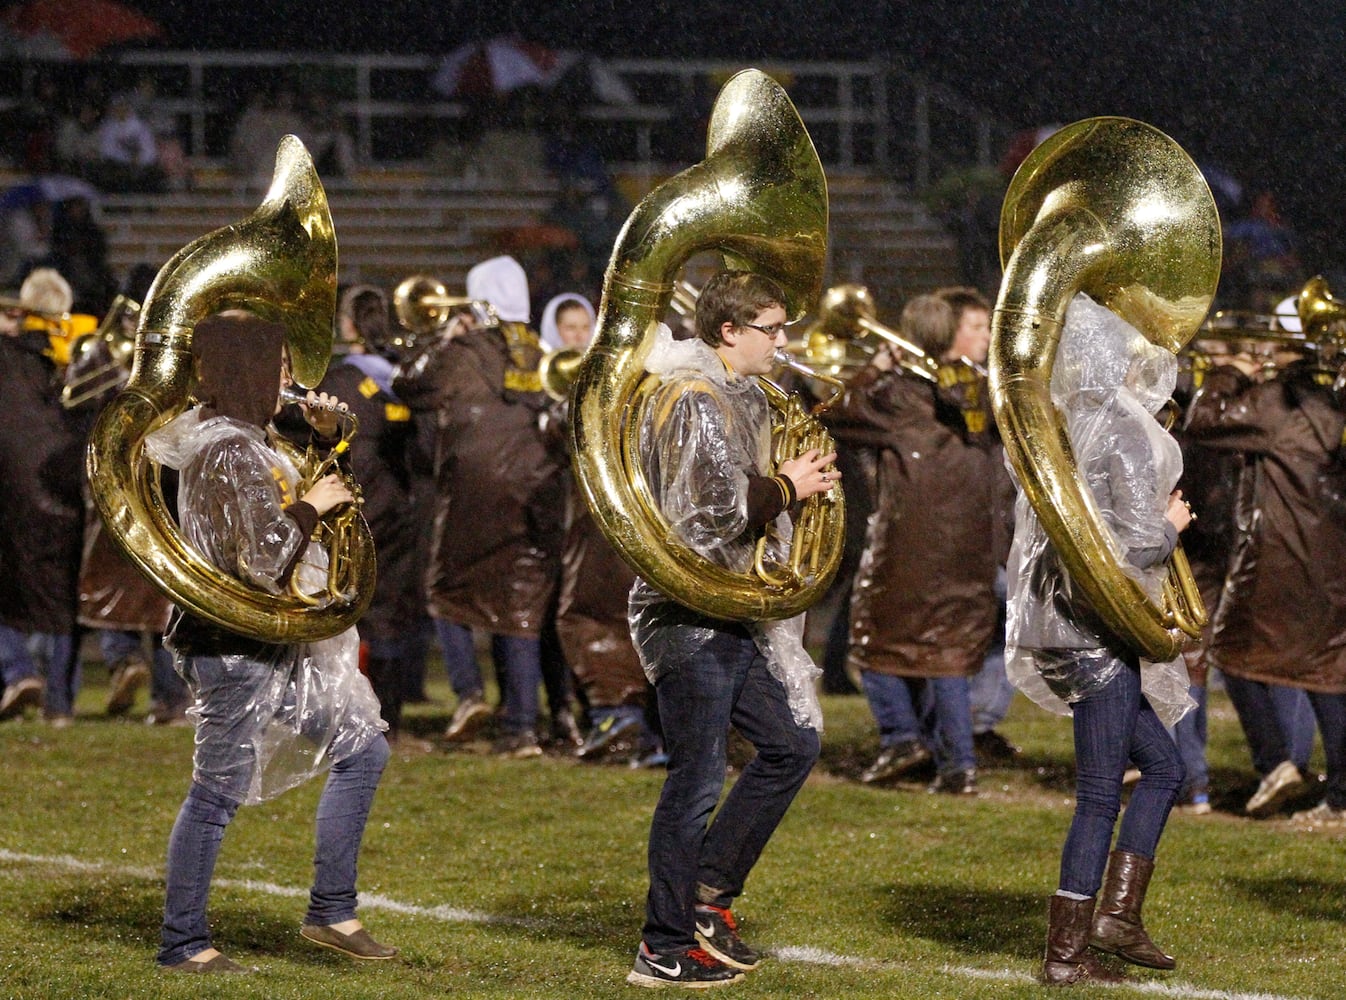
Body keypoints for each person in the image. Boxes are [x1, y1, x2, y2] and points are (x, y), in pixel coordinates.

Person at [144, 313, 394, 973]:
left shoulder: (248, 439)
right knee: (217, 791)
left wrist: (324, 443)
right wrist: (314, 501)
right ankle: (183, 943)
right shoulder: (226, 448)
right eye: (279, 366)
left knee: (363, 748)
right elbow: (268, 554)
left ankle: (332, 911)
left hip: (270, 639)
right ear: (245, 371)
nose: (289, 378)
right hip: (234, 645)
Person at [624, 269, 836, 988]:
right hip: (686, 614)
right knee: (696, 781)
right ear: (727, 332)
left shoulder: (738, 395)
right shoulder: (693, 398)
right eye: (771, 329)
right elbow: (705, 515)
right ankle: (662, 945)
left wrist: (786, 478)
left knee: (792, 743)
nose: (783, 341)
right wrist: (787, 487)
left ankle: (708, 896)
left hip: (730, 606)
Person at [1005, 293, 1193, 985]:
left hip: (1058, 624)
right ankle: (1065, 954)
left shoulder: (1053, 424)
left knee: (1166, 768)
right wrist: (1173, 523)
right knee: (1097, 793)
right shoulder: (1119, 428)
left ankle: (1117, 917)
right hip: (1096, 629)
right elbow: (1134, 546)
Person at [825, 294, 999, 794]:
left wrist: (875, 368)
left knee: (874, 641)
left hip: (912, 539)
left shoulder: (902, 395)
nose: (985, 337)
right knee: (946, 649)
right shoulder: (988, 393)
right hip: (971, 541)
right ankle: (957, 765)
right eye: (975, 327)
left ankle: (903, 739)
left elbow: (832, 410)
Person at [393, 255, 566, 756]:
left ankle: (469, 694)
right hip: (537, 495)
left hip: (471, 494)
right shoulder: (545, 354)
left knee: (445, 593)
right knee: (522, 608)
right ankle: (523, 728)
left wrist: (444, 337)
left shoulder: (462, 351)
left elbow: (407, 384)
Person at [1183, 339, 1346, 827]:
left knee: (1231, 653)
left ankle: (1275, 763)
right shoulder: (1335, 396)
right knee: (1328, 671)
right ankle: (1339, 795)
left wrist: (1228, 373)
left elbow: (1203, 421)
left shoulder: (1279, 401)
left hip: (1283, 559)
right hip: (1335, 558)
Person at [0, 268, 90, 726]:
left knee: (9, 589)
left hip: (12, 494)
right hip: (68, 489)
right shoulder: (86, 355)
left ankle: (17, 671)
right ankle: (61, 705)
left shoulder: (8, 355)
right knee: (65, 602)